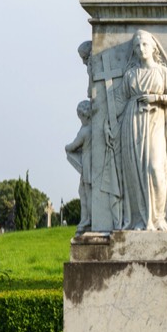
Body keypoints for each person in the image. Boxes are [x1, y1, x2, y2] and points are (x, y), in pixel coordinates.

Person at [111, 31, 167, 232]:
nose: (141, 49)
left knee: (155, 168)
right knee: (136, 171)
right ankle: (141, 220)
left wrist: (157, 98)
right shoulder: (131, 74)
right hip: (132, 124)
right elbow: (119, 101)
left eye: (144, 45)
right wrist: (105, 121)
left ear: (153, 48)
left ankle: (158, 218)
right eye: (137, 46)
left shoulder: (162, 72)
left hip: (155, 122)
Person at [64, 99, 93, 234]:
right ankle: (87, 218)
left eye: (80, 116)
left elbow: (73, 146)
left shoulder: (85, 131)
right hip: (93, 161)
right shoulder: (93, 127)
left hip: (87, 162)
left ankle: (88, 219)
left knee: (85, 191)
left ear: (84, 115)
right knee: (86, 190)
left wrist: (66, 147)